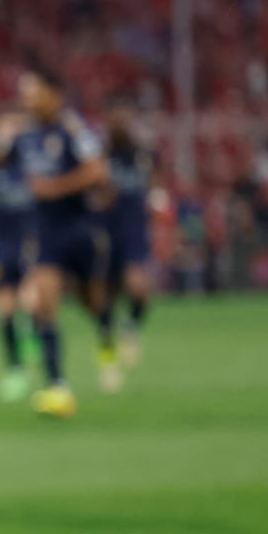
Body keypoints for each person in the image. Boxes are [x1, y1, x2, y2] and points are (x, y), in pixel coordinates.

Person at [0, 68, 111, 417]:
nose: (27, 98)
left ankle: (106, 329)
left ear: (55, 93)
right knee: (41, 304)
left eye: (33, 91)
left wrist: (55, 188)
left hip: (80, 229)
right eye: (24, 92)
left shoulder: (74, 129)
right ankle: (57, 386)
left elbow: (96, 171)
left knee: (91, 299)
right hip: (46, 234)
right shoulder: (24, 135)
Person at [0, 111, 40, 401]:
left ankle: (33, 344)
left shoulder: (31, 165)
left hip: (32, 244)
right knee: (4, 308)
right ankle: (15, 369)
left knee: (32, 300)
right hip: (3, 245)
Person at [98, 98, 156, 370]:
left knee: (139, 287)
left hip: (134, 230)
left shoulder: (143, 155)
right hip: (106, 231)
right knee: (106, 295)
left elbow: (154, 187)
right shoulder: (100, 154)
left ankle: (130, 326)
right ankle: (107, 348)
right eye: (116, 119)